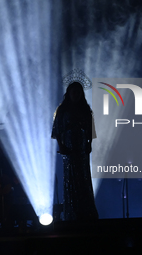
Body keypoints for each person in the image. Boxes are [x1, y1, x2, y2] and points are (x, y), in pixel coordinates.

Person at [51, 82, 98, 221]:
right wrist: (62, 146)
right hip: (68, 150)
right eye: (74, 92)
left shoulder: (86, 110)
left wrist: (89, 144)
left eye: (78, 92)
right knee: (71, 179)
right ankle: (72, 212)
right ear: (69, 93)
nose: (76, 95)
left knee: (83, 179)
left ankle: (86, 211)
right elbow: (57, 132)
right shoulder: (62, 111)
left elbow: (90, 131)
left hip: (82, 150)